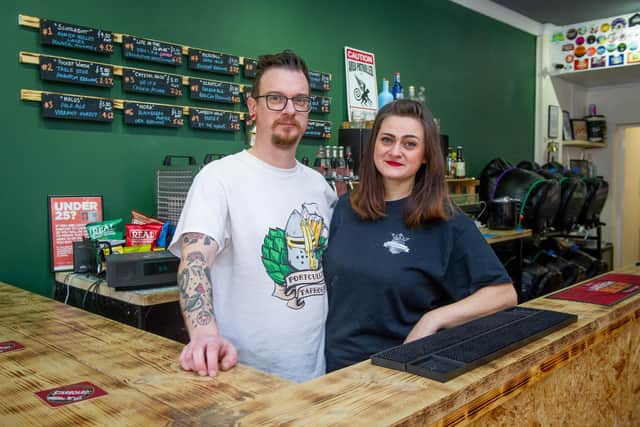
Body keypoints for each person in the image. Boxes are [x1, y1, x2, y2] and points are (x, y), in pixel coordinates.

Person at [169, 50, 337, 382]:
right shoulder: (219, 178)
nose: (289, 110)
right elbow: (194, 260)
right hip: (241, 379)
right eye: (276, 98)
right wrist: (204, 334)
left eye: (299, 100)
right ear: (252, 107)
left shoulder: (320, 187)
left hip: (315, 380)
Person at [323, 100, 517, 371]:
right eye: (387, 140)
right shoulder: (347, 207)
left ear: (426, 155)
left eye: (410, 144)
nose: (395, 151)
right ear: (373, 147)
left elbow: (503, 294)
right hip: (335, 372)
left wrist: (434, 319)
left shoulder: (446, 221)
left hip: (400, 373)